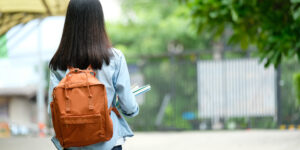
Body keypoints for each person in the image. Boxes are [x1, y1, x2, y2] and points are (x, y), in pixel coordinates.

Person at [47, 0, 139, 150]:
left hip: (72, 143)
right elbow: (128, 105)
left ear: (70, 22)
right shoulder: (114, 58)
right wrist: (132, 110)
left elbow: (53, 111)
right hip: (108, 142)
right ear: (98, 20)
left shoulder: (58, 62)